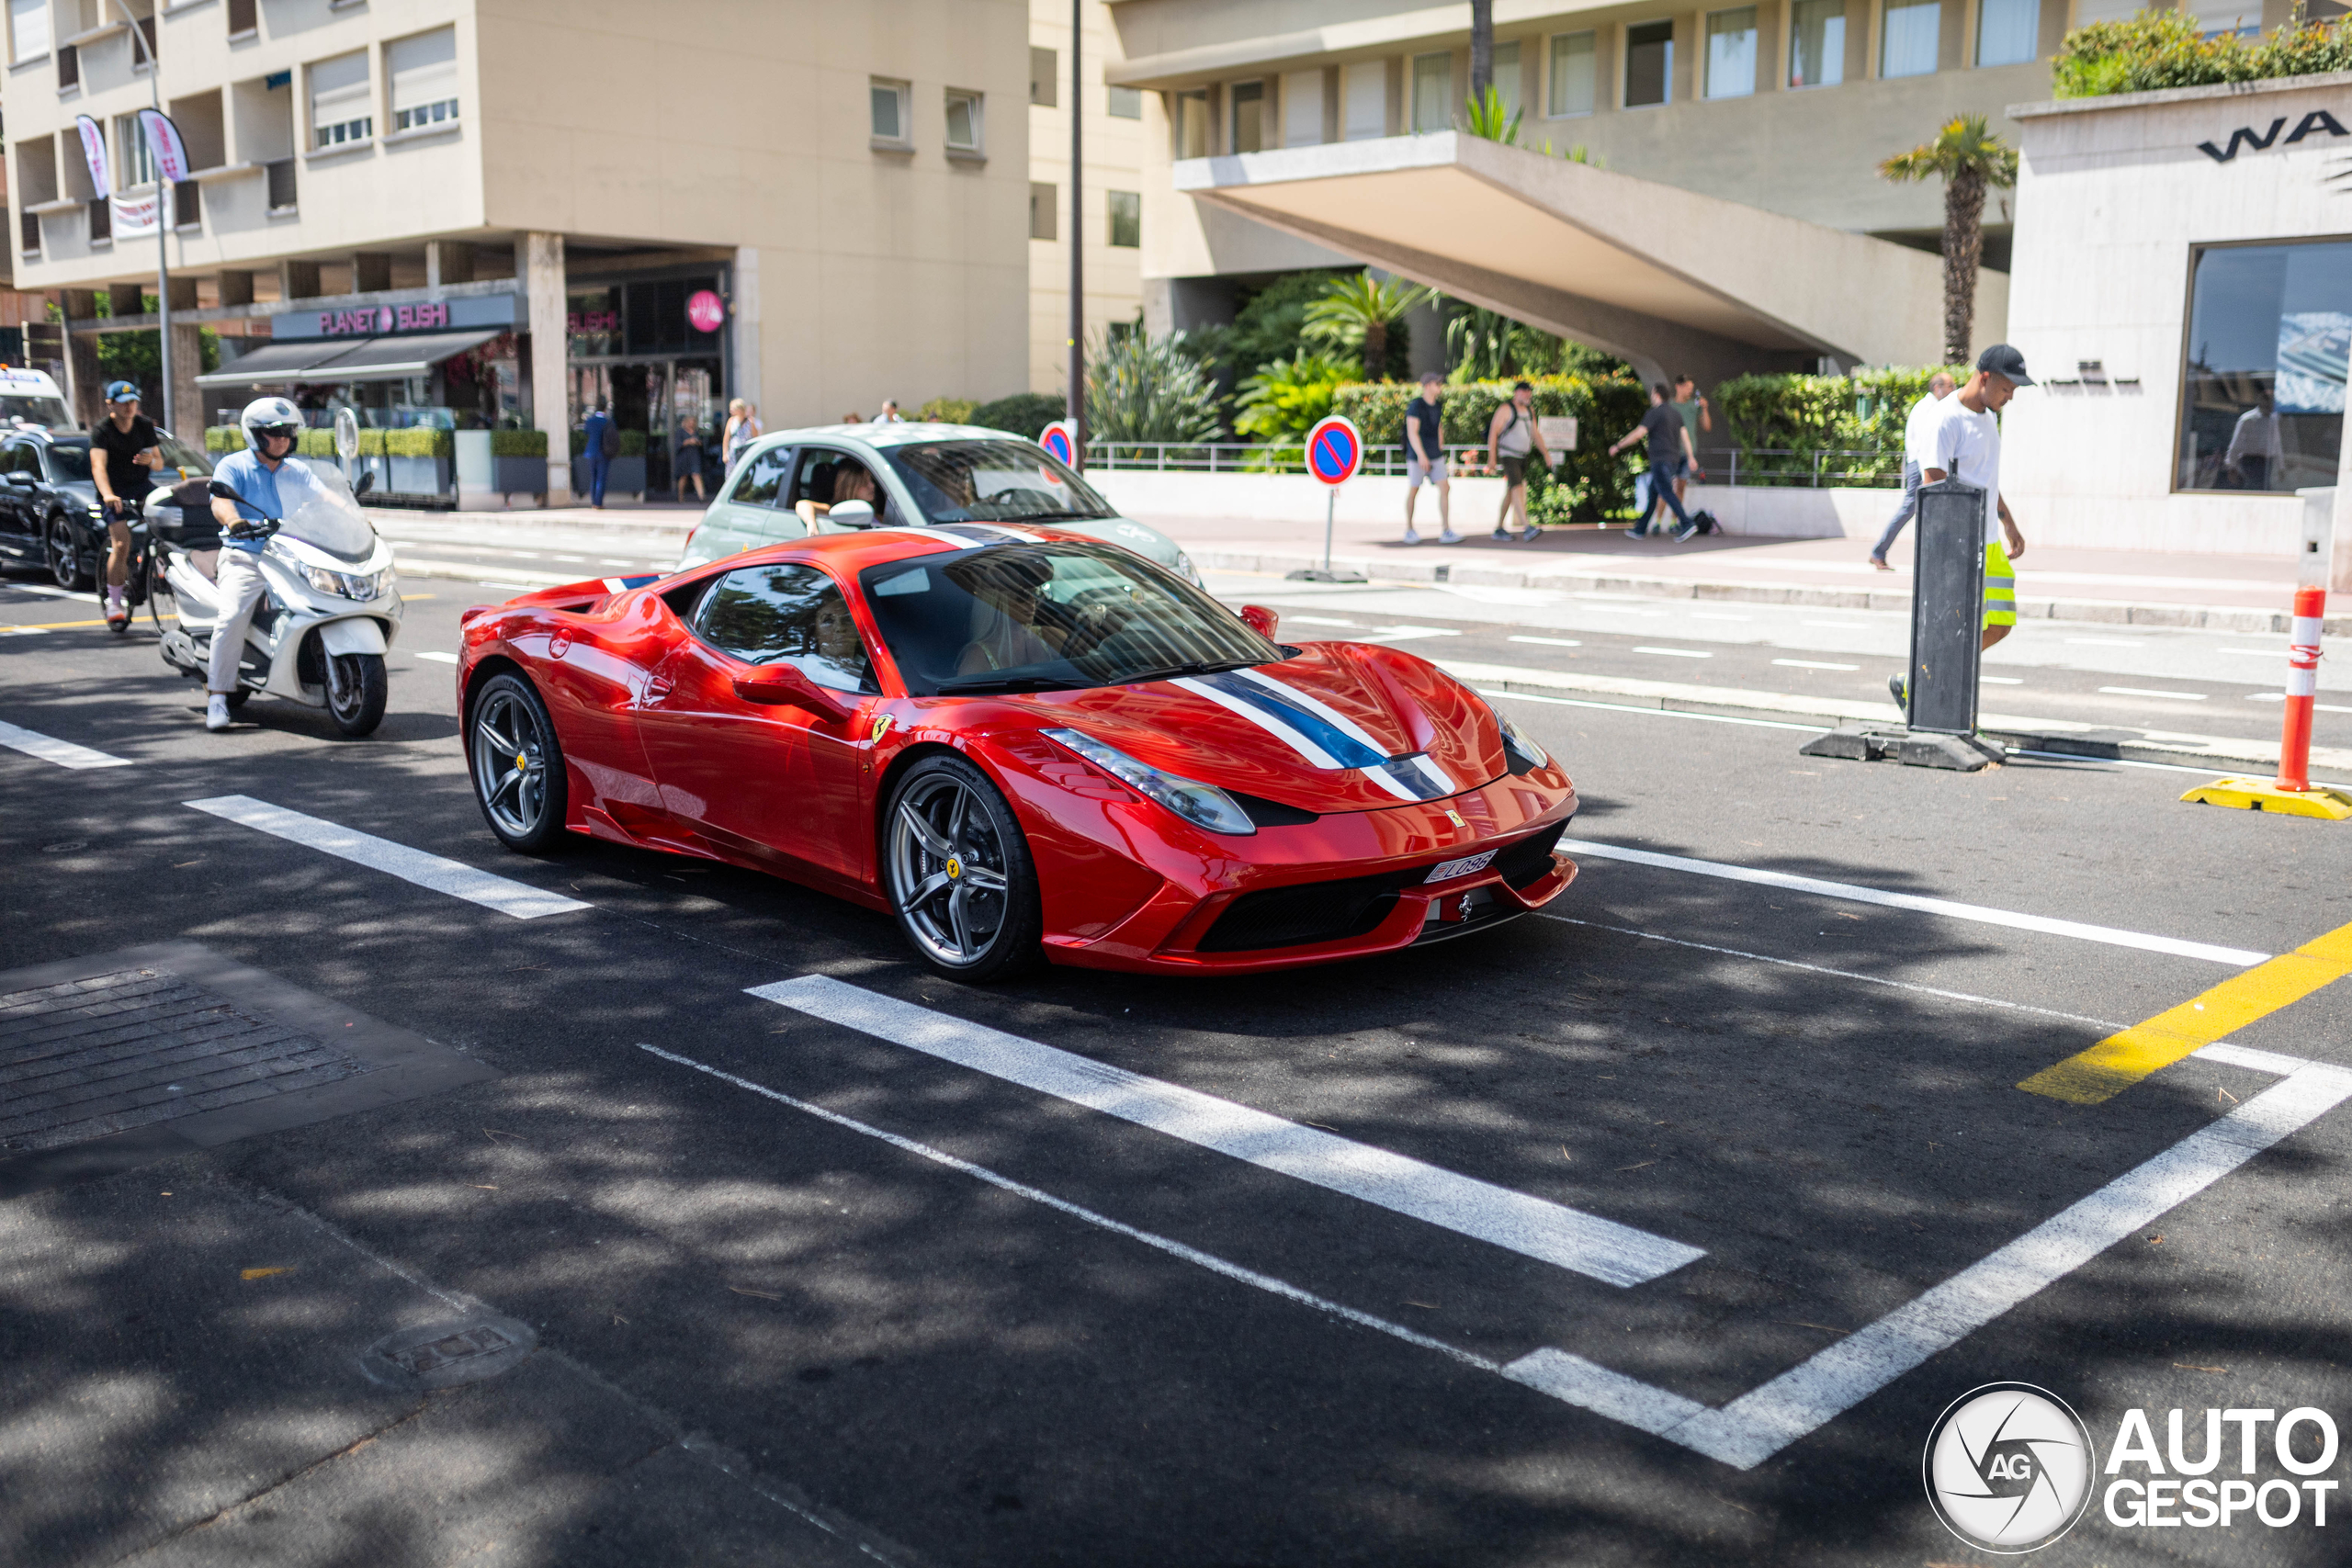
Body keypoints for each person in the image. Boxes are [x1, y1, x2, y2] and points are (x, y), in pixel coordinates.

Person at [1892, 344, 2032, 711]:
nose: (2011, 396)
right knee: (1957, 625)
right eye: (2007, 388)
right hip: (1959, 543)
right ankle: (1928, 685)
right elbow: (1934, 481)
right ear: (1985, 378)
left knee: (2000, 624)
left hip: (1988, 541)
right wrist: (1952, 547)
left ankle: (1915, 681)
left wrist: (2008, 522)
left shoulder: (1989, 417)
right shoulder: (1945, 419)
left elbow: (1985, 477)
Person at [201, 398, 304, 731]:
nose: (283, 439)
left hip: (292, 557)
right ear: (255, 435)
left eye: (288, 432)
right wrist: (233, 521)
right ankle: (217, 696)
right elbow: (221, 501)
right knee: (231, 616)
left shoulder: (298, 471)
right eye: (275, 433)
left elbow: (325, 499)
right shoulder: (233, 466)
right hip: (247, 555)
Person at [88, 381, 162, 629]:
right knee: (121, 542)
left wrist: (150, 460)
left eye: (132, 401)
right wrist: (108, 494)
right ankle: (115, 602)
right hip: (113, 490)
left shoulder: (143, 424)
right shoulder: (102, 430)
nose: (129, 406)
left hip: (141, 486)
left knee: (168, 518)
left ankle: (157, 567)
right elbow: (98, 466)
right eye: (123, 402)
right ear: (111, 404)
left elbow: (159, 464)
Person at [1868, 371, 1958, 570]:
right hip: (1921, 466)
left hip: (1922, 465)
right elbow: (1926, 443)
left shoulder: (1930, 407)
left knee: (1919, 509)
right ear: (1938, 388)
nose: (1954, 390)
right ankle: (1879, 552)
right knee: (1911, 508)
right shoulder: (1928, 408)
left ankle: (1882, 552)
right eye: (1951, 386)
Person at [1608, 382, 1701, 541]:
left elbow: (1639, 433)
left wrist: (1618, 445)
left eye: (1652, 394)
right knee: (1653, 494)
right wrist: (1691, 457)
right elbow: (1685, 437)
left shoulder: (1654, 413)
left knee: (1666, 491)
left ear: (1656, 394)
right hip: (1673, 460)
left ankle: (1686, 523)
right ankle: (1640, 528)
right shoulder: (1675, 414)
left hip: (1660, 460)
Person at [1482, 380, 1552, 543]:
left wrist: (1546, 454)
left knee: (1511, 491)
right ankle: (1527, 527)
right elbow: (1493, 433)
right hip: (1508, 455)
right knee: (1517, 488)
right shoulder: (1506, 409)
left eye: (1529, 391)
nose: (1528, 394)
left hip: (1523, 456)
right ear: (1516, 393)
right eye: (1524, 391)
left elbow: (1535, 434)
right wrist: (1491, 458)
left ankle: (1499, 528)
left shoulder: (1529, 411)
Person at [1401, 371, 1457, 546]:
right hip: (1417, 456)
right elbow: (1412, 432)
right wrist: (1422, 456)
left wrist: (1440, 446)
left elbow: (1438, 425)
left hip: (1435, 454)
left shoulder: (1438, 405)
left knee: (1445, 487)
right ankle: (1409, 529)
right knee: (1414, 490)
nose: (1440, 386)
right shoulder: (1416, 406)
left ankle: (1446, 530)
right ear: (1427, 386)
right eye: (1436, 384)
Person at [2224, 390, 2281, 491]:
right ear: (2261, 400)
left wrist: (2281, 466)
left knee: (2265, 488)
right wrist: (2232, 466)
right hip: (2250, 461)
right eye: (2267, 400)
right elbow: (2236, 444)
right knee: (2254, 487)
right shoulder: (2248, 419)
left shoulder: (2274, 420)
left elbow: (2276, 443)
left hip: (2267, 461)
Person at [1669, 375, 1711, 508]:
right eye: (1687, 387)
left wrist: (1704, 408)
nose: (1690, 391)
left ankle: (1674, 521)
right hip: (1671, 452)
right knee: (1667, 486)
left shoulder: (1694, 405)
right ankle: (1658, 521)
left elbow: (1707, 427)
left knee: (1680, 488)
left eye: (1691, 388)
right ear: (1678, 387)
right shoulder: (1669, 405)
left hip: (1688, 453)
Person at [581, 398, 613, 509]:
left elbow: (585, 432)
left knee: (593, 478)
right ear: (605, 408)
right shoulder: (608, 420)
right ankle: (598, 503)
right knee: (601, 478)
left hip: (591, 452)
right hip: (604, 453)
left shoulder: (590, 420)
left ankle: (593, 502)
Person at [723, 399, 762, 473]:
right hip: (733, 455)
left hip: (746, 453)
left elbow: (756, 437)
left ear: (740, 409)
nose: (730, 411)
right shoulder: (731, 421)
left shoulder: (750, 422)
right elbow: (726, 439)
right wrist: (725, 454)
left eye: (733, 408)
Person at [674, 416, 707, 502]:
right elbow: (677, 445)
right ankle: (680, 497)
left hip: (695, 457)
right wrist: (689, 441)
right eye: (690, 421)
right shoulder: (680, 432)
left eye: (693, 422)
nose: (691, 424)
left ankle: (701, 496)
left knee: (696, 475)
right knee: (683, 477)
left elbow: (702, 445)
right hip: (684, 457)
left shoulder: (697, 432)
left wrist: (698, 443)